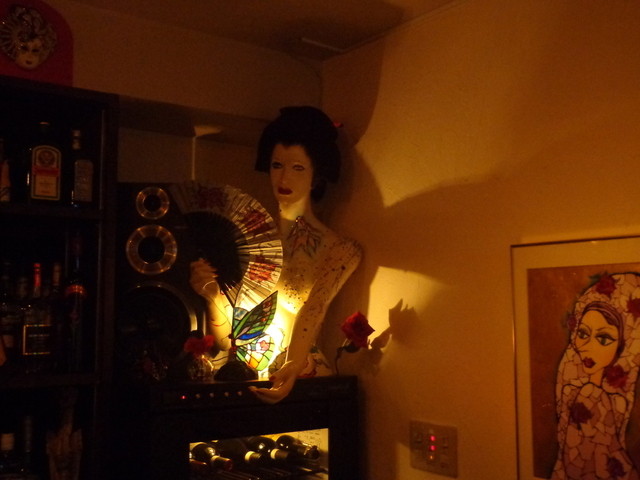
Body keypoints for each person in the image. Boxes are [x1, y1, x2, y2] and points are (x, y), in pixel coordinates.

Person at [189, 106, 362, 403]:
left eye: (297, 168)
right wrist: (212, 294)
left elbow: (314, 309)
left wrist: (293, 365)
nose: (284, 177)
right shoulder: (249, 240)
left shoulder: (339, 250)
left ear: (316, 176)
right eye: (277, 165)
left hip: (303, 377)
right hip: (245, 376)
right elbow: (230, 339)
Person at [551, 272, 640, 480]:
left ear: (622, 345)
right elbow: (572, 461)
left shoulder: (616, 401)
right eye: (582, 334)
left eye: (603, 338)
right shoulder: (577, 393)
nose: (588, 347)